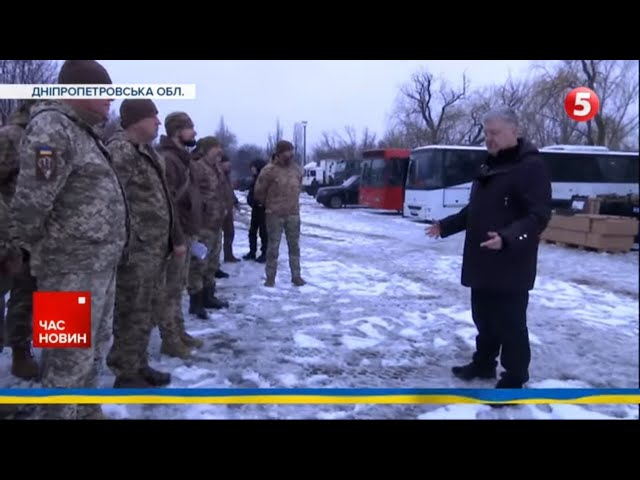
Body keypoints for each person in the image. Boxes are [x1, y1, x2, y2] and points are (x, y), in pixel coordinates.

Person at [11, 60, 129, 419]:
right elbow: (32, 201)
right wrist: (34, 251)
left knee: (93, 352)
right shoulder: (52, 128)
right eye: (103, 92)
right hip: (68, 271)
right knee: (66, 362)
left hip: (97, 266)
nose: (110, 100)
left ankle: (86, 412)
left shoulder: (82, 132)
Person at [426, 106, 552, 390]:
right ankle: (484, 364)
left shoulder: (530, 167)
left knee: (510, 323)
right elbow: (477, 210)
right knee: (483, 319)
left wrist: (508, 238)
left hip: (510, 262)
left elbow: (539, 215)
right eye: (486, 133)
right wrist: (445, 226)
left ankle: (515, 376)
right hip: (482, 259)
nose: (489, 138)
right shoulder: (490, 165)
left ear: (514, 131)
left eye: (494, 133)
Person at [105, 99, 178, 388]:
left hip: (154, 248)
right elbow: (111, 199)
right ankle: (125, 371)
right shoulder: (120, 151)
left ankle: (138, 363)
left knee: (146, 310)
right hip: (134, 251)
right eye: (153, 117)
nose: (159, 122)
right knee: (131, 310)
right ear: (137, 120)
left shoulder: (148, 152)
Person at [156, 111, 203, 358]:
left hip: (185, 232)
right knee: (170, 290)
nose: (194, 132)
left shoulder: (182, 159)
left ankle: (179, 331)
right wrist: (175, 238)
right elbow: (168, 203)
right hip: (176, 235)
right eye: (189, 128)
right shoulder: (168, 160)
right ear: (176, 131)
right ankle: (170, 338)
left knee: (178, 287)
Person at [0, 99, 39, 379]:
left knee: (60, 294)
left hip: (56, 231)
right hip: (20, 233)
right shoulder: (12, 137)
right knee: (24, 294)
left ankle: (61, 357)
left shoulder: (64, 134)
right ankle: (20, 351)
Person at [187, 136, 230, 318]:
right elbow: (190, 193)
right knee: (198, 265)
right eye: (215, 147)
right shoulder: (197, 167)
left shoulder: (217, 168)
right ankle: (195, 303)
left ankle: (209, 296)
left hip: (215, 224)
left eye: (219, 147)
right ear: (205, 150)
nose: (219, 151)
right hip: (202, 225)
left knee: (212, 263)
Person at [254, 140, 306, 287]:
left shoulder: (296, 170)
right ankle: (270, 278)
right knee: (273, 248)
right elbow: (259, 192)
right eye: (287, 151)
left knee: (294, 247)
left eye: (291, 150)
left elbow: (299, 187)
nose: (290, 154)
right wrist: (271, 204)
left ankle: (296, 276)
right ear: (279, 152)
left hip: (293, 213)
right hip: (274, 215)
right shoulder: (269, 170)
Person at [243, 158, 268, 263]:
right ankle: (252, 252)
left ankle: (264, 253)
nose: (251, 170)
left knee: (264, 232)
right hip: (255, 209)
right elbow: (252, 194)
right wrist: (252, 202)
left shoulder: (264, 179)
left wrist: (262, 203)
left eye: (253, 168)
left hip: (263, 209)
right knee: (252, 231)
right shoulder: (255, 179)